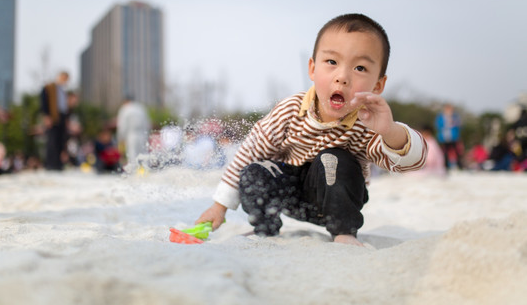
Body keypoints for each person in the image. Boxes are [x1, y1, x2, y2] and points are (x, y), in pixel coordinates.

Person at [196, 14, 428, 246]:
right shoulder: (290, 110)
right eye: (332, 62)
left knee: (332, 158)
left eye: (359, 67)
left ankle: (344, 233)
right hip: (289, 194)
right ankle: (264, 229)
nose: (342, 77)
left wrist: (390, 131)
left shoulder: (368, 123)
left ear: (377, 85)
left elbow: (411, 163)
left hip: (339, 198)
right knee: (255, 171)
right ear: (312, 68)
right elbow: (250, 151)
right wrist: (220, 205)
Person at [40, 71, 70, 170]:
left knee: (60, 141)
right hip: (52, 116)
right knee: (52, 140)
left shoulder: (62, 90)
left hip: (61, 116)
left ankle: (58, 164)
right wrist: (46, 116)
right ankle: (50, 164)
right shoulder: (49, 88)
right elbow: (44, 102)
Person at [116, 96, 151, 165]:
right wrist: (147, 135)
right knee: (144, 152)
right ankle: (146, 170)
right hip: (142, 134)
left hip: (131, 134)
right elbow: (147, 123)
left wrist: (120, 137)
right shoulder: (141, 108)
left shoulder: (125, 109)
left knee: (132, 153)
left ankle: (133, 171)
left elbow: (122, 125)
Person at [435, 103, 464, 170]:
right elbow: (438, 126)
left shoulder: (455, 117)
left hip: (453, 137)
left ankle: (459, 165)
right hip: (444, 138)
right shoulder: (440, 117)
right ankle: (445, 166)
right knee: (445, 152)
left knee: (456, 152)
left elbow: (460, 126)